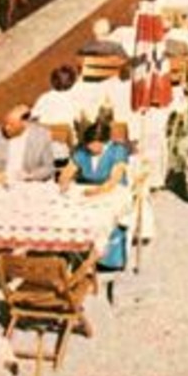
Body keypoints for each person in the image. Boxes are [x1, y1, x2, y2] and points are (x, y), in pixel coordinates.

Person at [59, 109, 132, 270]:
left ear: (104, 142)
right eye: (88, 144)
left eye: (94, 144)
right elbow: (67, 171)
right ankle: (74, 251)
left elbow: (113, 181)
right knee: (69, 212)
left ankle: (105, 260)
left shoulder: (117, 151)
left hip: (113, 191)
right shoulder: (82, 151)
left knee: (104, 217)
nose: (90, 148)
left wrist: (96, 192)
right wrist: (64, 181)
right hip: (87, 188)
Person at [0, 104, 55, 189]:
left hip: (29, 186)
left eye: (11, 125)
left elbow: (49, 167)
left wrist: (30, 176)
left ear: (25, 123)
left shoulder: (42, 136)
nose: (6, 128)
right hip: (0, 187)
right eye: (5, 123)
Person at [31, 65, 85, 158]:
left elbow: (33, 118)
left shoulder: (44, 98)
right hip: (65, 151)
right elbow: (81, 120)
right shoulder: (75, 100)